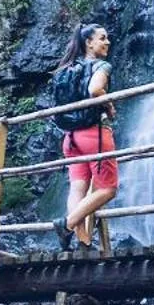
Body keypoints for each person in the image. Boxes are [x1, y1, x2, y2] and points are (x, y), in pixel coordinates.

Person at [51, 24, 119, 250]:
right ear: (88, 43)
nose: (107, 42)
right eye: (102, 38)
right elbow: (94, 89)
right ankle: (67, 225)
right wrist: (108, 105)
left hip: (71, 138)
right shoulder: (102, 65)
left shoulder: (69, 68)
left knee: (78, 189)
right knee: (107, 189)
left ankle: (84, 242)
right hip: (94, 135)